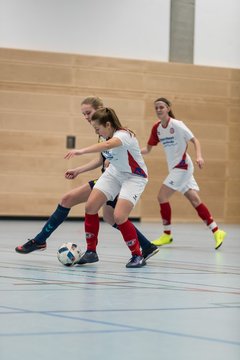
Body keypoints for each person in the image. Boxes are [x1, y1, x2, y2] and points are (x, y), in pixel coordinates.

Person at [15, 97, 158, 261]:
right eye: (83, 114)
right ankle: (141, 246)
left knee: (115, 217)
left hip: (130, 178)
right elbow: (101, 159)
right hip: (113, 176)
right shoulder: (102, 134)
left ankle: (139, 252)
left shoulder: (120, 135)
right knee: (101, 213)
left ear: (101, 112)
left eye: (88, 113)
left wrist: (81, 151)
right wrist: (79, 170)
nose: (86, 117)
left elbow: (108, 148)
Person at [65, 107, 149, 268]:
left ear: (108, 124)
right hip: (115, 173)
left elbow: (111, 144)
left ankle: (137, 255)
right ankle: (91, 252)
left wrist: (81, 151)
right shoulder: (104, 137)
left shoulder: (123, 135)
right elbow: (106, 155)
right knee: (91, 206)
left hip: (134, 177)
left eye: (98, 128)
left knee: (119, 216)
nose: (97, 132)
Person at [141, 97, 226, 250]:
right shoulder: (157, 128)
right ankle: (217, 230)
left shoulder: (178, 125)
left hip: (183, 166)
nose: (159, 110)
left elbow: (195, 140)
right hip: (175, 168)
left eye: (161, 107)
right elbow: (147, 150)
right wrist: (132, 153)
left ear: (168, 108)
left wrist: (199, 156)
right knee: (194, 199)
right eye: (156, 108)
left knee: (162, 196)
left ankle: (167, 234)